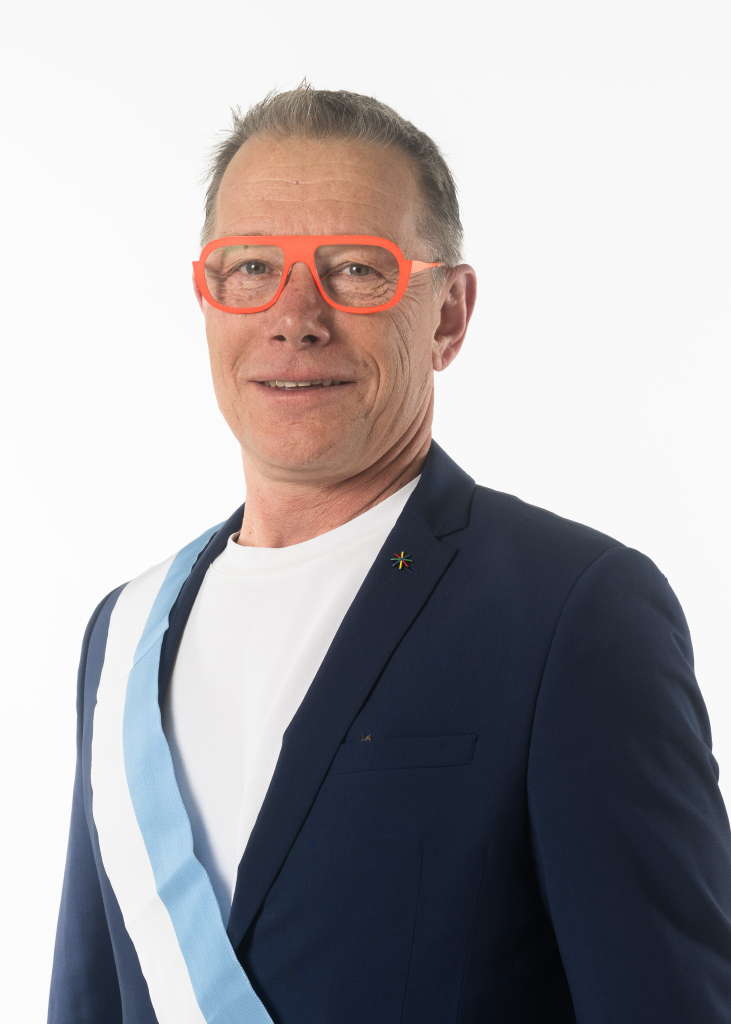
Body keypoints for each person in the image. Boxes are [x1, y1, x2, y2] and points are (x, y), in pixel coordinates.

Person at [47, 86, 731, 1024]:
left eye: (357, 270)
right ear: (207, 297)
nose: (295, 316)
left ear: (448, 314)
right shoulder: (125, 630)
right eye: (252, 268)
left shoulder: (572, 610)